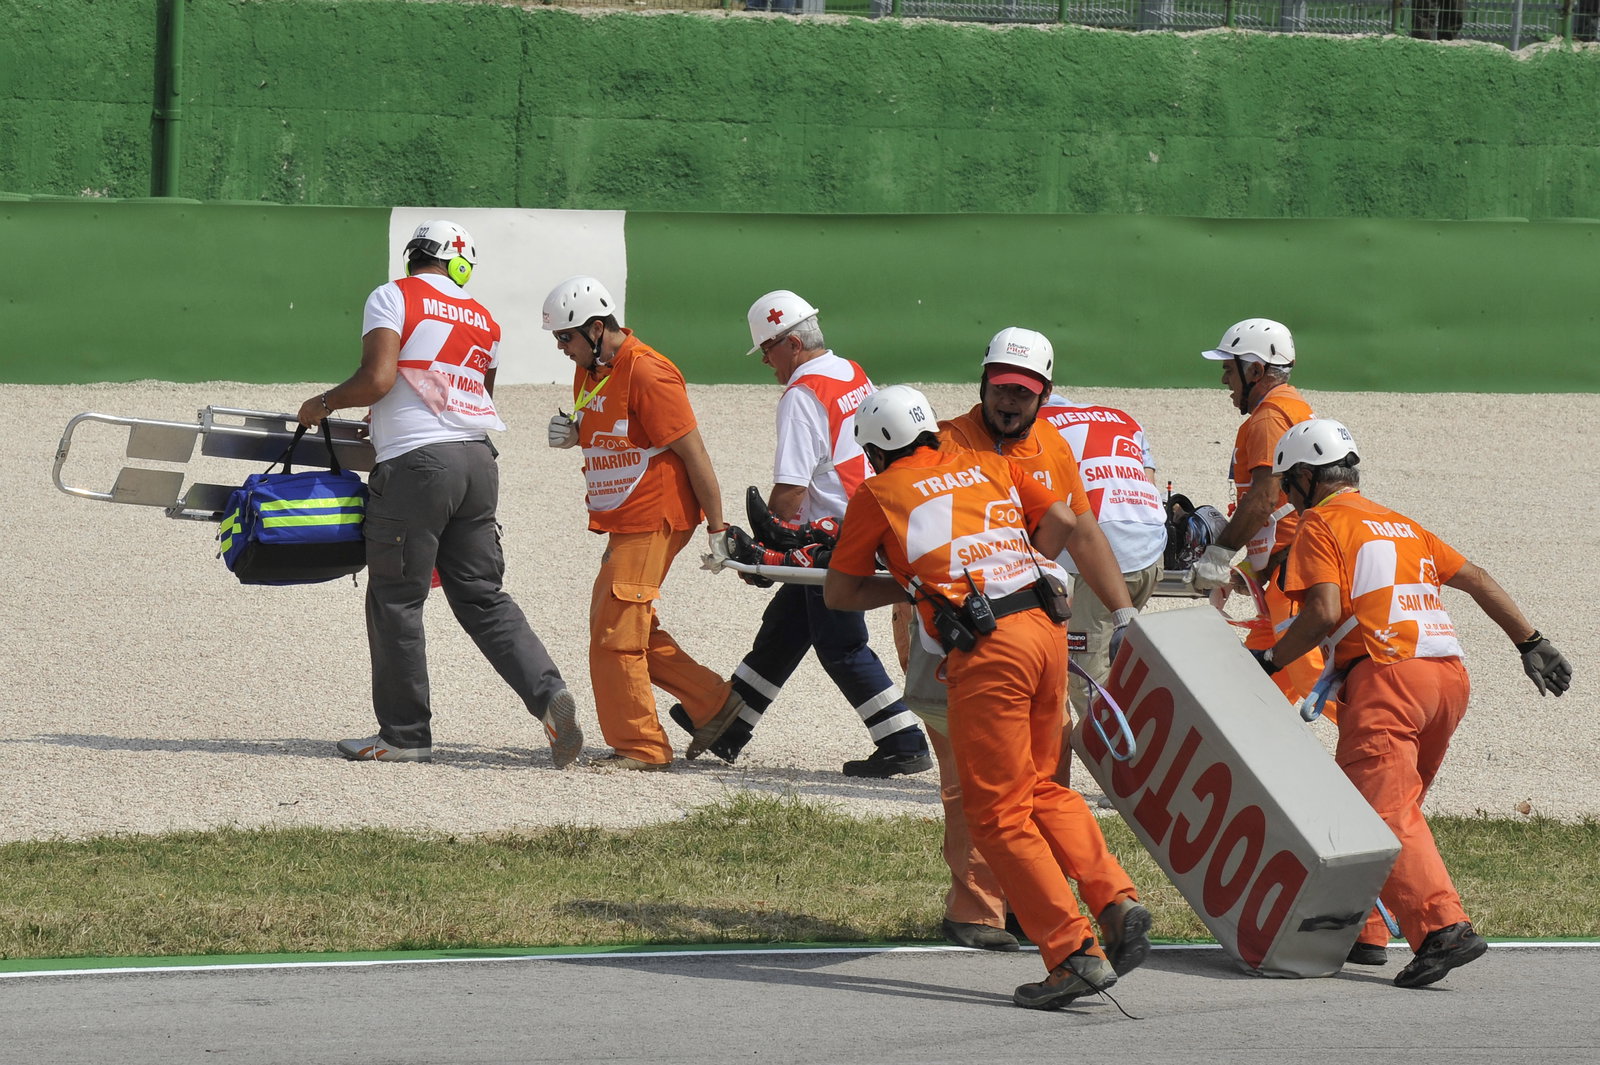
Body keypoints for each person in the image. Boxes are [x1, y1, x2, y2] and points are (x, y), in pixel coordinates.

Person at [827, 384, 1142, 1010]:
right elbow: (1061, 521)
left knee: (997, 816)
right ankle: (1114, 898)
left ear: (877, 449)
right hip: (1045, 632)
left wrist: (912, 588)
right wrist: (1007, 564)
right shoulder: (984, 462)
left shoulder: (878, 493)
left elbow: (840, 593)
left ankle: (1073, 952)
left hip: (990, 650)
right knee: (1042, 786)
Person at [1256, 419, 1572, 989]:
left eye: (1286, 484)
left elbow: (1323, 612)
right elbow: (1476, 578)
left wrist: (1272, 661)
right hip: (1447, 679)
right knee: (1395, 810)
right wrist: (1531, 641)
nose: (1286, 497)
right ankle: (1368, 931)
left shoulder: (1320, 523)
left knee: (1382, 813)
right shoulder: (1400, 523)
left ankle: (1442, 929)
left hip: (1388, 678)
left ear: (1304, 476)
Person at [892, 328, 1149, 958]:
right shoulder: (944, 442)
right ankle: (980, 907)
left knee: (1043, 773)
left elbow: (1082, 530)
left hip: (1029, 639)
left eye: (1024, 392)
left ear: (1045, 395)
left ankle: (1035, 908)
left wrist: (1123, 612)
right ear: (983, 383)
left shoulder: (1053, 448)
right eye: (1002, 388)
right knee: (969, 777)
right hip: (956, 637)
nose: (1010, 401)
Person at [296, 220, 582, 766]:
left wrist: (323, 404)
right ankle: (549, 695)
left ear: (414, 257)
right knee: (482, 595)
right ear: (461, 265)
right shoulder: (486, 320)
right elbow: (475, 397)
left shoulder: (392, 296)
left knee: (396, 597)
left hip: (417, 466)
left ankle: (405, 735)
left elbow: (378, 379)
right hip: (477, 461)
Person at [672, 290, 932, 777]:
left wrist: (767, 551)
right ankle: (731, 724)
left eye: (767, 349)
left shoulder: (801, 395)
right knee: (785, 627)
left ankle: (903, 740)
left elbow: (791, 490)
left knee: (840, 643)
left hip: (833, 537)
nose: (765, 361)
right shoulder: (850, 371)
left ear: (791, 344)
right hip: (865, 520)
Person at [542, 275, 745, 771]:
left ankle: (642, 746)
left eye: (565, 337)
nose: (561, 348)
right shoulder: (592, 370)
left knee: (614, 634)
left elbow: (695, 454)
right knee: (628, 626)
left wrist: (718, 527)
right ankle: (713, 702)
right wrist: (575, 434)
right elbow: (616, 431)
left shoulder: (649, 372)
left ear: (595, 329)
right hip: (627, 517)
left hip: (655, 516)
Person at [1189, 318, 1328, 709]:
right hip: (1286, 575)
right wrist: (1252, 567)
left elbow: (1265, 498)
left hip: (1295, 582)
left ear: (1254, 370)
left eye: (1228, 369)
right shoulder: (1292, 407)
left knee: (1320, 687)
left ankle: (1384, 737)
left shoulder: (1268, 417)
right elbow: (1285, 508)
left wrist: (1218, 555)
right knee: (1253, 691)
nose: (1224, 381)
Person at [1037, 387, 1166, 715]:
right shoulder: (1122, 418)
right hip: (1151, 549)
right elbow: (1148, 481)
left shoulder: (1036, 424)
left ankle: (1117, 746)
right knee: (1116, 659)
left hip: (1104, 555)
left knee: (1087, 679)